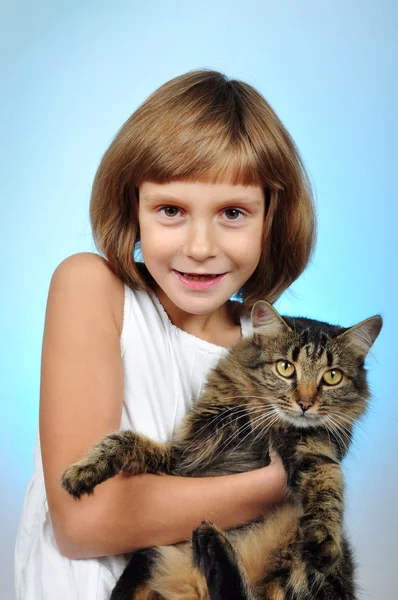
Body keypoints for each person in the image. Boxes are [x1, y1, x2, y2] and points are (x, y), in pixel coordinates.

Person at [15, 69, 316, 599]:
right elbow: (84, 523)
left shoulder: (276, 351)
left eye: (232, 212)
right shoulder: (93, 289)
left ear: (272, 216)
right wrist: (273, 485)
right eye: (171, 210)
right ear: (133, 206)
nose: (200, 246)